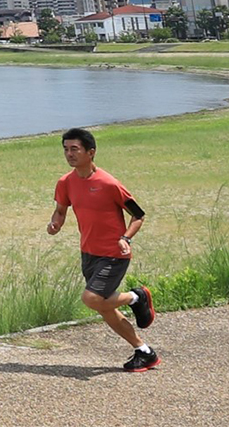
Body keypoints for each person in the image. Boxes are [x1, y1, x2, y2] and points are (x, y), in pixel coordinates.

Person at [47, 128, 160, 372]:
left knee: (92, 298)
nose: (69, 154)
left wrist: (125, 238)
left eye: (74, 149)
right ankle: (144, 351)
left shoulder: (109, 184)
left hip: (114, 254)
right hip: (89, 253)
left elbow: (138, 216)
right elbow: (60, 210)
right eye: (66, 149)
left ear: (91, 152)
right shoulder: (65, 182)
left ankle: (136, 297)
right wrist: (55, 223)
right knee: (104, 306)